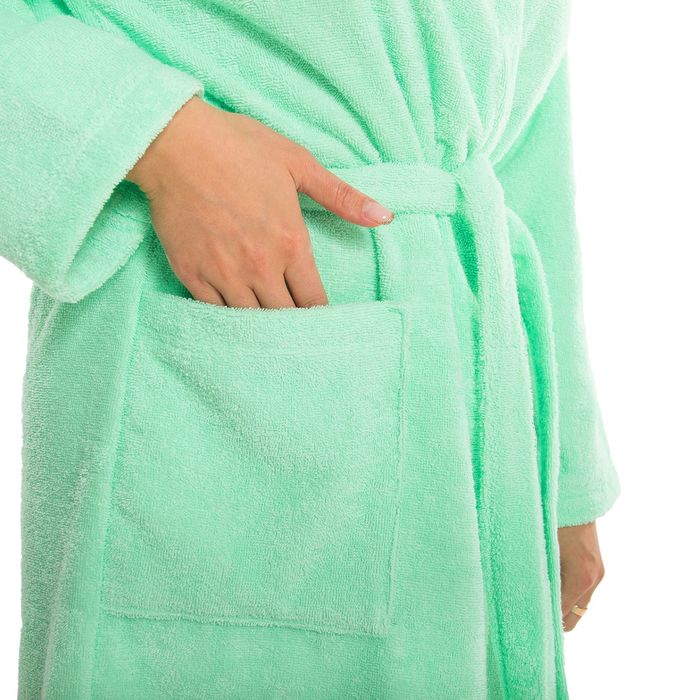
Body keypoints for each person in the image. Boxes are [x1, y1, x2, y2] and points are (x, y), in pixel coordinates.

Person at [0, 0, 622, 697]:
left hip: (478, 374)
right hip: (206, 323)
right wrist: (160, 140)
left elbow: (528, 135)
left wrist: (563, 473)